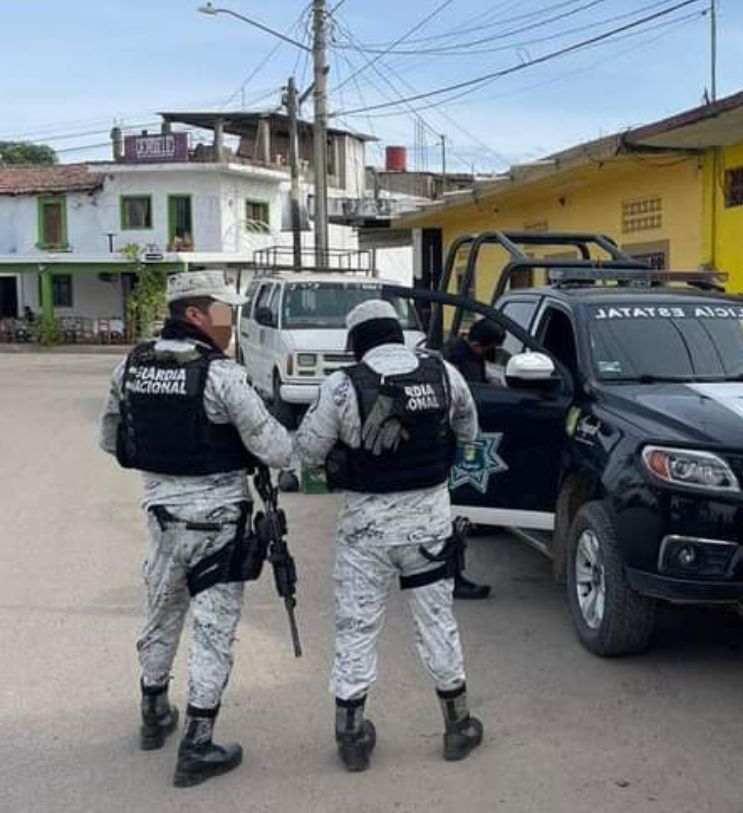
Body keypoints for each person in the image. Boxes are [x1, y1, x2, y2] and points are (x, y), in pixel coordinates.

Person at [98, 270, 293, 788]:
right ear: (196, 315)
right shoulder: (221, 376)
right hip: (218, 525)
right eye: (224, 313)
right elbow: (276, 449)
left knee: (162, 614)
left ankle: (153, 714)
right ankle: (198, 748)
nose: (231, 323)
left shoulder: (131, 366)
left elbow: (111, 439)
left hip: (162, 518)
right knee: (212, 632)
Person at [295, 300, 485, 773]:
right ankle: (458, 726)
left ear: (357, 341)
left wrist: (341, 455)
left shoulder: (342, 385)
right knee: (436, 623)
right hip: (428, 528)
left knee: (356, 628)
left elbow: (307, 451)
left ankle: (352, 737)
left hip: (365, 532)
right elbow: (469, 428)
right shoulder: (442, 373)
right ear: (395, 334)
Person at [440, 318, 506, 600]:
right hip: (456, 446)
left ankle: (448, 576)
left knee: (453, 514)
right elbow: (468, 401)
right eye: (489, 349)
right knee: (455, 516)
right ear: (479, 345)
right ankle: (452, 578)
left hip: (446, 446)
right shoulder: (461, 363)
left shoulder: (454, 351)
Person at [443, 319, 506, 384]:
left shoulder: (475, 355)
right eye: (488, 349)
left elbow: (478, 378)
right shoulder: (452, 355)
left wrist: (488, 382)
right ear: (476, 344)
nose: (487, 353)